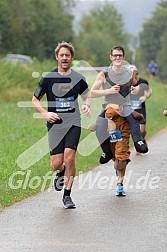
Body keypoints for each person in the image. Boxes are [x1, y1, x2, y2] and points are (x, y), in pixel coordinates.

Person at [32, 41, 90, 209]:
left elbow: (86, 95)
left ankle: (67, 195)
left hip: (73, 122)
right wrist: (45, 113)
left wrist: (86, 104)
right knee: (56, 164)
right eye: (62, 55)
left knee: (70, 157)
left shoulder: (78, 78)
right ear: (57, 57)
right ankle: (61, 171)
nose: (65, 58)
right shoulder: (48, 78)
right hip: (55, 124)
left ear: (72, 57)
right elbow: (35, 99)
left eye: (67, 55)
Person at [91, 46, 148, 165]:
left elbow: (135, 86)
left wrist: (134, 89)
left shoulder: (129, 73)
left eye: (120, 55)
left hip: (125, 105)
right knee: (99, 126)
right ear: (111, 57)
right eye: (115, 55)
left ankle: (138, 142)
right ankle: (106, 151)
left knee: (133, 121)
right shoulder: (104, 74)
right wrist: (109, 91)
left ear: (123, 57)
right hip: (108, 106)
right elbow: (93, 92)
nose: (117, 57)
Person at [129, 65, 152, 155]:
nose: (132, 74)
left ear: (136, 72)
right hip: (130, 109)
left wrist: (145, 96)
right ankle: (139, 146)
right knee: (135, 130)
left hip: (140, 108)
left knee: (142, 130)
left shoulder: (143, 82)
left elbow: (149, 91)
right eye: (130, 72)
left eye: (133, 72)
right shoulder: (126, 83)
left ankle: (142, 140)